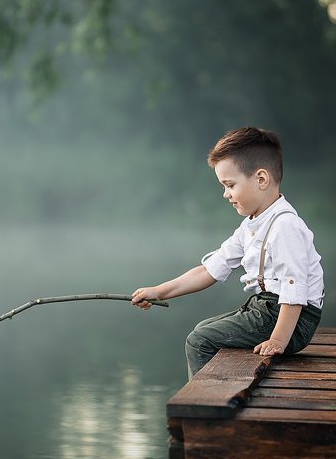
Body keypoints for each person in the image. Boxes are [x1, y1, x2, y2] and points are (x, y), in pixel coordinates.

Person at [131, 126, 324, 378]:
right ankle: (222, 385)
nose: (226, 194)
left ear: (261, 179)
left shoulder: (285, 225)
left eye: (230, 185)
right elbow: (209, 270)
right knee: (204, 328)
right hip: (267, 308)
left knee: (200, 340)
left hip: (292, 320)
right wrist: (159, 291)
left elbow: (294, 288)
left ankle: (205, 400)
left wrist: (278, 340)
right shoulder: (252, 225)